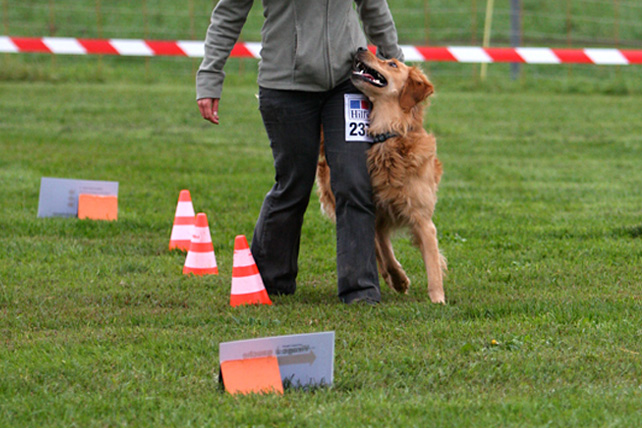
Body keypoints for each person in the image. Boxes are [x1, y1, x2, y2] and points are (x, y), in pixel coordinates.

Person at [196, 0, 404, 304]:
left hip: (348, 85)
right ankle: (270, 280)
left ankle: (361, 289)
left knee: (353, 180)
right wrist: (209, 77)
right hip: (283, 87)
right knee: (293, 182)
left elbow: (373, 7)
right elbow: (229, 13)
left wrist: (395, 65)